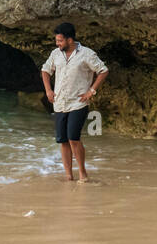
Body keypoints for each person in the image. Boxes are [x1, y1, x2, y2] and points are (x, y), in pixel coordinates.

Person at [40, 22, 109, 182]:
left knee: (73, 138)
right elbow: (45, 70)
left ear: (70, 40)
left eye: (60, 41)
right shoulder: (56, 54)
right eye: (57, 41)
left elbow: (103, 70)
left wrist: (91, 91)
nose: (57, 44)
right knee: (63, 140)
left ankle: (83, 174)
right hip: (59, 103)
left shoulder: (86, 54)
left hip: (78, 103)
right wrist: (48, 90)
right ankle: (68, 175)